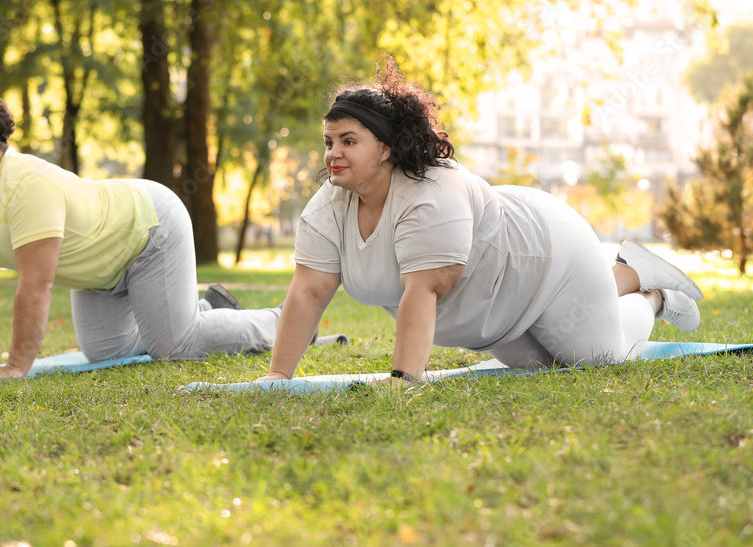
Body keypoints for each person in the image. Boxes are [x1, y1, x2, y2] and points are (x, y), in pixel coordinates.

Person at [258, 58, 702, 383]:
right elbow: (309, 290)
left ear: (387, 148)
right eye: (329, 140)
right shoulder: (329, 206)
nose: (333, 153)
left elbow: (423, 289)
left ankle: (650, 293)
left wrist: (403, 381)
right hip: (498, 313)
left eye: (348, 140)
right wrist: (278, 375)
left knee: (599, 356)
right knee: (540, 369)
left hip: (549, 256)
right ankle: (619, 277)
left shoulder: (431, 196)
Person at [0, 89, 279, 380]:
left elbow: (36, 286)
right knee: (107, 352)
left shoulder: (26, 187)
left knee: (174, 346)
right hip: (101, 271)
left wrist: (16, 367)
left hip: (149, 227)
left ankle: (281, 321)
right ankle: (205, 309)